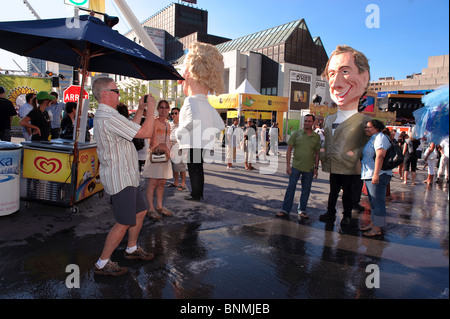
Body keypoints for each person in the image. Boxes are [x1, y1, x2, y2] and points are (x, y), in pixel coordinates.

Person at [92, 77, 156, 276]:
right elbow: (145, 132)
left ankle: (131, 248)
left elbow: (132, 130)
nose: (119, 93)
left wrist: (140, 109)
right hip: (120, 177)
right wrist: (151, 109)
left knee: (139, 212)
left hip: (126, 175)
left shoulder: (109, 115)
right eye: (116, 90)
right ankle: (102, 263)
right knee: (123, 221)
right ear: (104, 94)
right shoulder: (108, 116)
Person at [318, 45, 372, 226]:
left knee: (348, 193)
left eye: (345, 71)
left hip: (351, 169)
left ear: (364, 77)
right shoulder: (328, 119)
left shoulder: (364, 121)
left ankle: (347, 216)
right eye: (332, 74)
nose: (336, 82)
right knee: (333, 192)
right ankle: (330, 213)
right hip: (334, 167)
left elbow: (370, 147)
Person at [175, 42, 225, 201]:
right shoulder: (207, 103)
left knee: (194, 168)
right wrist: (207, 133)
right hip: (202, 142)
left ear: (189, 74)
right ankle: (198, 193)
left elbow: (191, 121)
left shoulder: (190, 101)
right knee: (198, 169)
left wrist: (178, 133)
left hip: (193, 142)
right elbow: (220, 125)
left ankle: (196, 194)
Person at [276, 114, 320, 219]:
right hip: (295, 167)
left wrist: (316, 168)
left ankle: (302, 211)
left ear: (313, 122)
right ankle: (285, 210)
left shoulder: (316, 137)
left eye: (309, 121)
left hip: (309, 169)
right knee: (290, 188)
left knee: (306, 190)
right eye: (305, 121)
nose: (307, 123)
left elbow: (317, 153)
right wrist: (288, 166)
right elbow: (289, 150)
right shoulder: (296, 134)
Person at [360, 120, 392, 236]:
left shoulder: (381, 138)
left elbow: (380, 156)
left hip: (378, 175)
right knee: (373, 203)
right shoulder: (374, 137)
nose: (367, 129)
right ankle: (373, 224)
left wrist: (376, 174)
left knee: (378, 203)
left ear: (377, 128)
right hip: (370, 174)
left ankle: (377, 228)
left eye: (369, 127)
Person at [142, 100, 173, 219]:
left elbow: (167, 140)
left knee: (162, 183)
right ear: (158, 109)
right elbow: (151, 140)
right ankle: (150, 208)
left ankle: (159, 207)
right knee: (153, 183)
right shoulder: (154, 122)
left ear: (168, 109)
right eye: (161, 107)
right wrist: (164, 147)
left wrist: (169, 150)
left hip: (165, 157)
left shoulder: (167, 124)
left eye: (166, 108)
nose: (164, 110)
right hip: (155, 156)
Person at [168, 107, 187, 188]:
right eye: (172, 113)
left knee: (181, 167)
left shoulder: (183, 125)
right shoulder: (170, 124)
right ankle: (176, 182)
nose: (174, 115)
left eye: (176, 113)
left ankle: (182, 184)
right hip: (170, 147)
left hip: (180, 147)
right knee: (174, 166)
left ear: (180, 114)